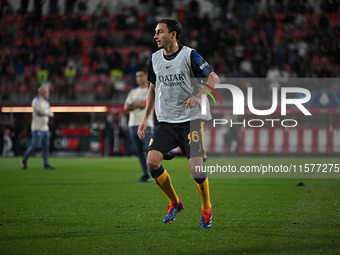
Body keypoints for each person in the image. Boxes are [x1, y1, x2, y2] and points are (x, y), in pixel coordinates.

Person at [138, 18, 220, 228]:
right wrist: (145, 118)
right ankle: (175, 202)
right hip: (166, 120)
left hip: (191, 119)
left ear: (173, 34)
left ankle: (206, 208)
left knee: (195, 170)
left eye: (160, 32)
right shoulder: (154, 59)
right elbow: (152, 89)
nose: (155, 36)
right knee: (152, 162)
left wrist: (200, 96)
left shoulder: (189, 55)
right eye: (155, 32)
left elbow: (214, 78)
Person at [124, 68, 154, 183]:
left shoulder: (150, 89)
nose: (139, 78)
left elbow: (145, 104)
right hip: (132, 125)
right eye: (137, 76)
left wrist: (133, 104)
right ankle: (145, 175)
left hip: (147, 124)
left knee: (149, 149)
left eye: (141, 76)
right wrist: (138, 105)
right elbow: (126, 107)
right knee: (139, 152)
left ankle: (155, 173)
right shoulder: (132, 91)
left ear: (146, 77)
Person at [21, 86, 55, 170]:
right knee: (35, 145)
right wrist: (48, 113)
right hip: (37, 128)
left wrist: (48, 113)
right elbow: (41, 112)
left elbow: (50, 113)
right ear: (41, 92)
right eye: (46, 92)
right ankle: (24, 160)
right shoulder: (36, 101)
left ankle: (45, 164)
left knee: (46, 147)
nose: (48, 93)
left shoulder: (46, 102)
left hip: (45, 128)